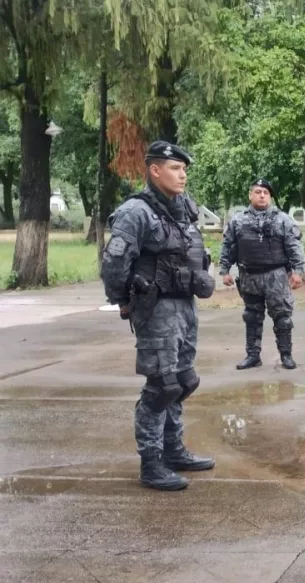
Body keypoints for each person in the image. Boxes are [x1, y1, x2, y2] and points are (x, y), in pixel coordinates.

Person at [100, 141, 216, 491]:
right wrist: (122, 300)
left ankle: (173, 449)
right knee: (161, 387)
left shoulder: (183, 208)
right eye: (175, 168)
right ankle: (151, 463)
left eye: (184, 169)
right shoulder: (136, 212)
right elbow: (114, 261)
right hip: (157, 308)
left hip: (185, 305)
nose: (183, 175)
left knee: (183, 381)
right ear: (154, 170)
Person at [219, 179, 305, 370]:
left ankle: (286, 355)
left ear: (270, 197)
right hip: (249, 275)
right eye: (258, 192)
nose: (262, 196)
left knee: (282, 318)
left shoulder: (283, 219)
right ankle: (252, 355)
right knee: (251, 317)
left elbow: (294, 246)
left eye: (266, 193)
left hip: (276, 276)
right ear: (250, 195)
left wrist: (298, 271)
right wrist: (225, 270)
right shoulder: (238, 220)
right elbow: (228, 245)